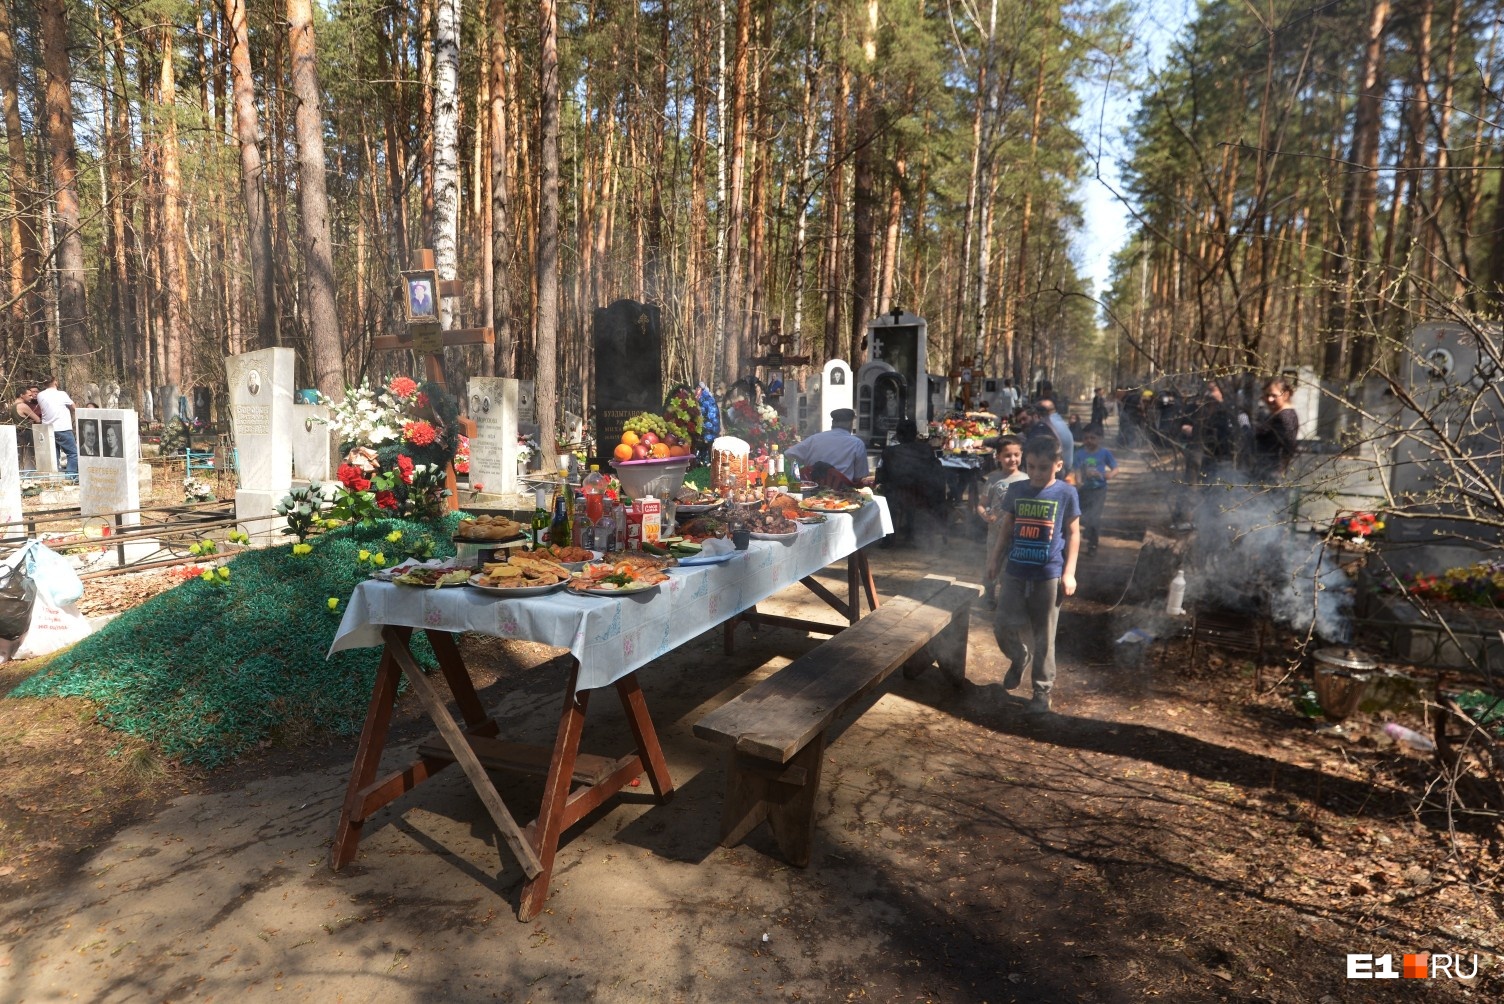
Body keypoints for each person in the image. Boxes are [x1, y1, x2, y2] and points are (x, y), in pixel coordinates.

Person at [986, 436, 1081, 714]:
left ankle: (1041, 691)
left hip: (1048, 575)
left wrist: (1070, 573)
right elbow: (1006, 528)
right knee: (1002, 625)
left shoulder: (1066, 493)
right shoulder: (1017, 490)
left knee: (1044, 635)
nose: (1037, 473)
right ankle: (1018, 657)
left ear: (1058, 465)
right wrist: (995, 559)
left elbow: (1074, 533)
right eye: (1032, 467)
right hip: (1015, 570)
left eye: (1044, 467)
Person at [877, 419, 947, 544]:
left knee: (888, 492)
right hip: (923, 496)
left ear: (898, 435)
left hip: (897, 497)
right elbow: (937, 470)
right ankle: (910, 530)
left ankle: (888, 538)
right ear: (915, 435)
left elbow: (880, 477)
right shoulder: (927, 449)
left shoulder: (889, 452)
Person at [977, 434, 1028, 605]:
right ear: (997, 457)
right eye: (1007, 455)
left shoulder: (1027, 480)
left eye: (1016, 455)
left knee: (1011, 567)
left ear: (1022, 455)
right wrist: (985, 514)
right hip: (995, 533)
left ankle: (1008, 599)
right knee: (992, 562)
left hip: (1018, 535)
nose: (1012, 459)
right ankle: (989, 596)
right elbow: (981, 504)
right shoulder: (993, 480)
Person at [786, 407, 870, 486]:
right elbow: (859, 477)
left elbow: (789, 455)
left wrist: (798, 475)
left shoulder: (814, 439)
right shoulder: (857, 444)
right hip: (843, 496)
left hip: (812, 492)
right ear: (850, 424)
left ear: (833, 423)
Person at [1072, 426, 1117, 555]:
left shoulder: (1104, 453)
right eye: (1086, 438)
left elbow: (1115, 469)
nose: (1089, 441)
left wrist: (1107, 475)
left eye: (1093, 438)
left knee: (1095, 517)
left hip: (1099, 489)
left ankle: (1093, 545)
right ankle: (1089, 531)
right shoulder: (1079, 454)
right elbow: (1077, 471)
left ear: (1100, 439)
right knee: (1083, 517)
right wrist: (1079, 482)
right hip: (1084, 490)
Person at [1180, 380, 1235, 482]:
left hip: (1223, 460)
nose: (1208, 394)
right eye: (1206, 391)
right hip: (1202, 458)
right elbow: (1184, 426)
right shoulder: (1197, 409)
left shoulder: (1230, 412)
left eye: (1212, 390)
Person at [1252, 378, 1299, 480]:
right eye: (1267, 395)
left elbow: (1289, 445)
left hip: (1273, 474)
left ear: (1286, 395)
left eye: (1274, 396)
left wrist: (1280, 471)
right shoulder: (1278, 415)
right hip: (1267, 471)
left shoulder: (1285, 416)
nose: (1269, 399)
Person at [36, 376, 77, 475]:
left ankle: (54, 477)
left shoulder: (40, 395)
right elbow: (73, 407)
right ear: (55, 382)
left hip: (47, 428)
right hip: (62, 427)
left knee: (54, 455)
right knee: (73, 454)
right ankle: (70, 477)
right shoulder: (62, 394)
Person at [1033, 398, 1074, 470]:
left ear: (1038, 413)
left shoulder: (1046, 425)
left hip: (1059, 470)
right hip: (1066, 465)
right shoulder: (1059, 420)